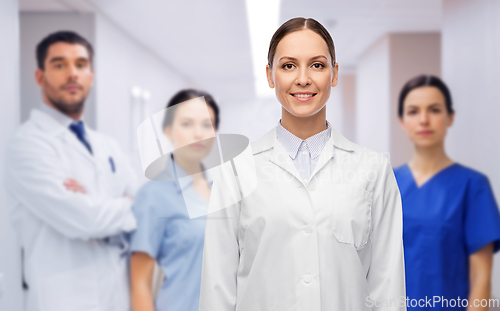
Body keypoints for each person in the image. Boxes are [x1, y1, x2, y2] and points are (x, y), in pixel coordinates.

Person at [199, 17, 405, 311]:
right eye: (288, 65)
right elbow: (217, 288)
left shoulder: (373, 170)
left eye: (317, 65)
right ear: (270, 76)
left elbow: (388, 286)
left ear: (334, 74)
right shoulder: (236, 171)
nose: (303, 78)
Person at [4, 31, 137, 311]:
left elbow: (144, 209)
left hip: (117, 297)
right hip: (62, 301)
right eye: (59, 64)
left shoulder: (108, 146)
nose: (72, 74)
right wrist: (124, 206)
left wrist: (101, 206)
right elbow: (86, 219)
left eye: (80, 64)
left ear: (91, 75)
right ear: (40, 77)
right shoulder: (26, 145)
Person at [394, 75, 500, 310]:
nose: (423, 120)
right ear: (402, 121)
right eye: (413, 111)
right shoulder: (386, 184)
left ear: (450, 117)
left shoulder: (473, 186)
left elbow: (481, 278)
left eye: (434, 110)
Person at [129, 90, 220, 311]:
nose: (198, 133)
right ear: (168, 131)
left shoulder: (224, 191)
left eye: (207, 125)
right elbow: (139, 283)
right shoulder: (153, 197)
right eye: (187, 124)